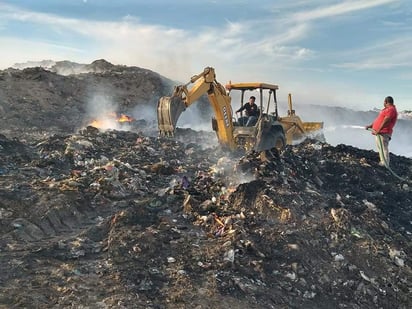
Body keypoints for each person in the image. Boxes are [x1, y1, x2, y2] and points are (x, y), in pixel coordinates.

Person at [365, 96, 398, 167]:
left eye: (384, 102)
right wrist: (371, 126)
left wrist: (379, 130)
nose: (383, 103)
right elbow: (379, 119)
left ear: (386, 102)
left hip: (383, 133)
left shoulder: (391, 109)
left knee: (383, 147)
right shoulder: (387, 109)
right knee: (380, 147)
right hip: (379, 132)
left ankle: (385, 163)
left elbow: (387, 120)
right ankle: (382, 162)